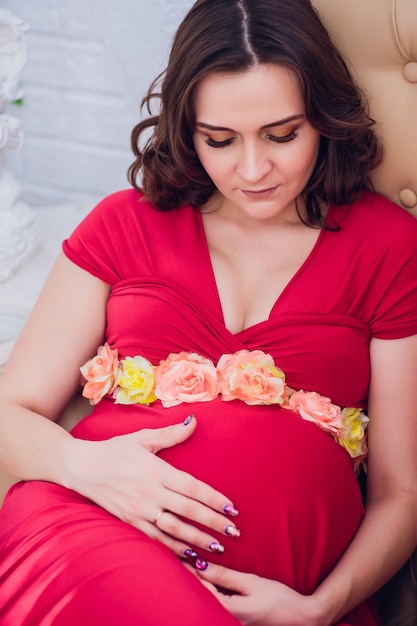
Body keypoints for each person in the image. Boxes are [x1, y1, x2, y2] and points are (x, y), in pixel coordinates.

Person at [0, 0, 416, 623]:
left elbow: (401, 491)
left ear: (324, 121)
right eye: (220, 140)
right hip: (80, 530)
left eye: (282, 135)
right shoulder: (124, 225)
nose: (253, 170)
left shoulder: (386, 246)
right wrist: (85, 467)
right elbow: (10, 412)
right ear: (187, 129)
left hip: (287, 595)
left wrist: (321, 609)